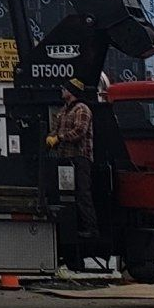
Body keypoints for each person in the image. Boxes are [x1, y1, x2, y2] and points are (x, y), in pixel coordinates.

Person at [55, 80, 97, 240]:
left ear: (71, 92)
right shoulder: (64, 110)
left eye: (64, 88)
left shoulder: (82, 109)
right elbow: (56, 128)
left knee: (83, 193)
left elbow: (79, 131)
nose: (62, 91)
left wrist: (59, 138)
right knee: (68, 194)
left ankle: (91, 228)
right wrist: (51, 137)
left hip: (80, 157)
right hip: (65, 157)